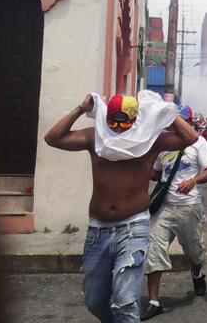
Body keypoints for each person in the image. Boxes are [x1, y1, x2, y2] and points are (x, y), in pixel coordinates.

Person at [44, 94, 198, 323]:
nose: (117, 128)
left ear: (136, 119)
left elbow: (191, 137)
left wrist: (163, 111)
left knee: (126, 302)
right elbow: (52, 138)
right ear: (105, 117)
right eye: (112, 121)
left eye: (124, 122)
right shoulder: (96, 137)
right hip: (99, 229)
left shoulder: (150, 140)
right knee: (94, 300)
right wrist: (80, 108)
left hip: (134, 227)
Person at [141, 117, 207, 320]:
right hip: (164, 208)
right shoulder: (163, 143)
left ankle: (197, 273)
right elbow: (157, 173)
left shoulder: (198, 142)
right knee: (153, 250)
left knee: (194, 252)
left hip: (188, 208)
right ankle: (154, 301)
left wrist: (194, 180)